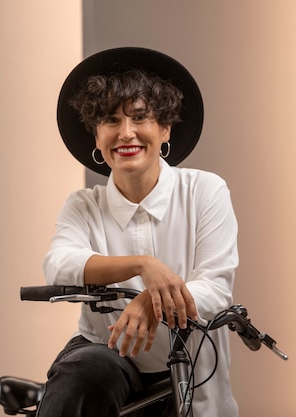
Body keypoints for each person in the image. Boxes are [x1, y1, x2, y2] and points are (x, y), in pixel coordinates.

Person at [38, 47, 238, 417]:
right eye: (111, 120)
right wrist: (142, 265)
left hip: (190, 363)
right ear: (96, 137)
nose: (125, 133)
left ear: (164, 129)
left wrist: (151, 300)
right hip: (110, 357)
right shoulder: (84, 205)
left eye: (140, 117)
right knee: (88, 370)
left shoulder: (205, 191)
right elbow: (60, 264)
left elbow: (215, 287)